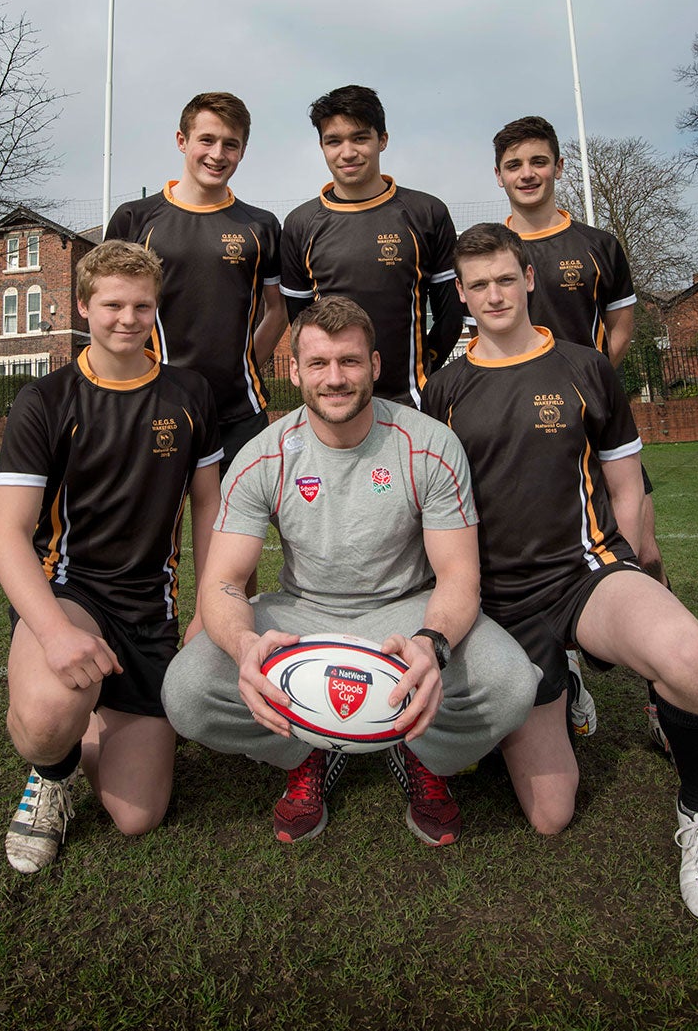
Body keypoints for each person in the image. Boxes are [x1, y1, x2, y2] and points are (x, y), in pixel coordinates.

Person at [422, 223, 698, 923]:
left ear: (529, 278)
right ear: (463, 295)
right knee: (549, 814)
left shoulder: (584, 365)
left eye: (505, 279)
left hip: (584, 572)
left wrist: (631, 573)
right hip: (497, 601)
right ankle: (551, 685)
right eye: (477, 285)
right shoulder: (443, 387)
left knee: (694, 662)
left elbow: (627, 487)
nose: (493, 294)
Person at [162, 295, 539, 847]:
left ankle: (417, 749)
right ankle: (309, 747)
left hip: (406, 614)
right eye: (317, 363)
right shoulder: (263, 455)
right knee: (188, 693)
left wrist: (432, 643)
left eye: (349, 362)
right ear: (293, 370)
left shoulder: (429, 444)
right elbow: (221, 582)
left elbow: (458, 578)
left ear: (375, 366)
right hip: (302, 615)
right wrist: (243, 644)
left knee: (511, 684)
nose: (334, 378)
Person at [0, 241, 222, 873]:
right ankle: (52, 775)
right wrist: (54, 633)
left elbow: (209, 510)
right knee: (44, 717)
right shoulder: (46, 401)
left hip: (152, 609)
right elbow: (8, 536)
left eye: (142, 306)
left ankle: (96, 713)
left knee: (136, 818)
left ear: (157, 309)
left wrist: (210, 606)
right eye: (112, 304)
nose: (127, 318)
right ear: (85, 305)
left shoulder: (190, 394)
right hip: (73, 593)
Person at [492, 114, 668, 746]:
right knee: (526, 562)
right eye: (514, 165)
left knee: (643, 552)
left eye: (538, 161)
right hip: (521, 443)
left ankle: (662, 701)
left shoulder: (598, 244)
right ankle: (560, 674)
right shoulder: (489, 248)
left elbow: (619, 331)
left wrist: (583, 394)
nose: (527, 174)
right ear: (499, 175)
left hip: (593, 432)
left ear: (559, 166)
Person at [106, 92, 286, 475]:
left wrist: (248, 363)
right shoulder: (135, 219)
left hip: (239, 414)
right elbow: (109, 309)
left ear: (242, 151)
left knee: (235, 531)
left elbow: (278, 308)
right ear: (181, 140)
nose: (218, 154)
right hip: (152, 405)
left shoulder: (261, 226)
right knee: (148, 530)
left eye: (231, 145)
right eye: (207, 140)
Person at [280, 85, 463, 407]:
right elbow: (299, 322)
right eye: (333, 141)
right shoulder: (300, 224)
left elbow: (449, 315)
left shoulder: (426, 213)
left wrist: (425, 363)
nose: (347, 152)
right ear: (322, 146)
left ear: (383, 140)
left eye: (360, 138)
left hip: (411, 402)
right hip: (335, 404)